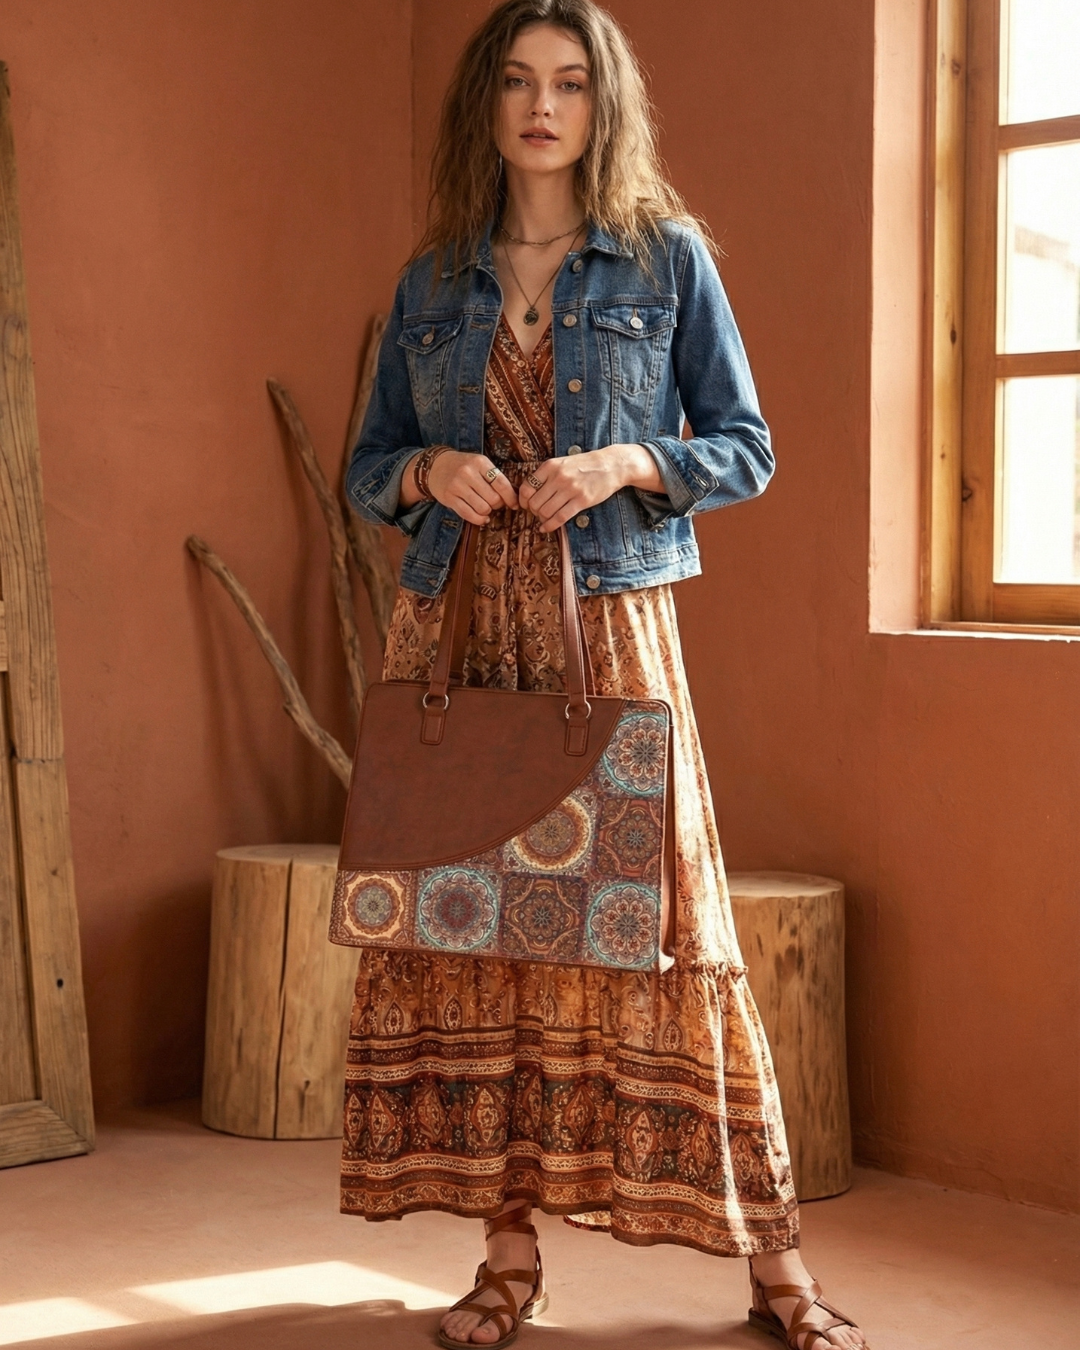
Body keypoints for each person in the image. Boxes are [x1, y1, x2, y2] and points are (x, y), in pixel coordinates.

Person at [343, 3, 869, 1348]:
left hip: (612, 630)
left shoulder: (663, 259)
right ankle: (505, 1263)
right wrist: (422, 471)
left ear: (602, 105)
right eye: (519, 81)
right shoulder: (435, 279)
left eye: (571, 83)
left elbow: (744, 446)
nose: (543, 106)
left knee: (671, 931)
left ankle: (778, 1267)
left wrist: (627, 462)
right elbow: (369, 463)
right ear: (488, 105)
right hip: (457, 634)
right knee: (485, 940)